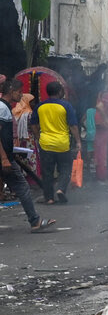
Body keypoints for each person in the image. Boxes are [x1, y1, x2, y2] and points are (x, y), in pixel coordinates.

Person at [0, 79, 55, 233]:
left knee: (21, 186)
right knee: (22, 187)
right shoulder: (3, 108)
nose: (21, 95)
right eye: (20, 92)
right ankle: (35, 221)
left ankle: (35, 221)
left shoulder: (5, 107)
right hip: (4, 158)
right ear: (12, 91)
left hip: (7, 156)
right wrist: (4, 158)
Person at [30, 81, 82, 205]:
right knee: (65, 168)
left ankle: (49, 198)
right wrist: (78, 141)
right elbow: (73, 126)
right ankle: (61, 189)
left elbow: (33, 125)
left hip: (46, 143)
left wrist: (38, 136)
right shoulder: (66, 106)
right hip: (62, 143)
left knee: (47, 171)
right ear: (60, 92)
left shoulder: (40, 106)